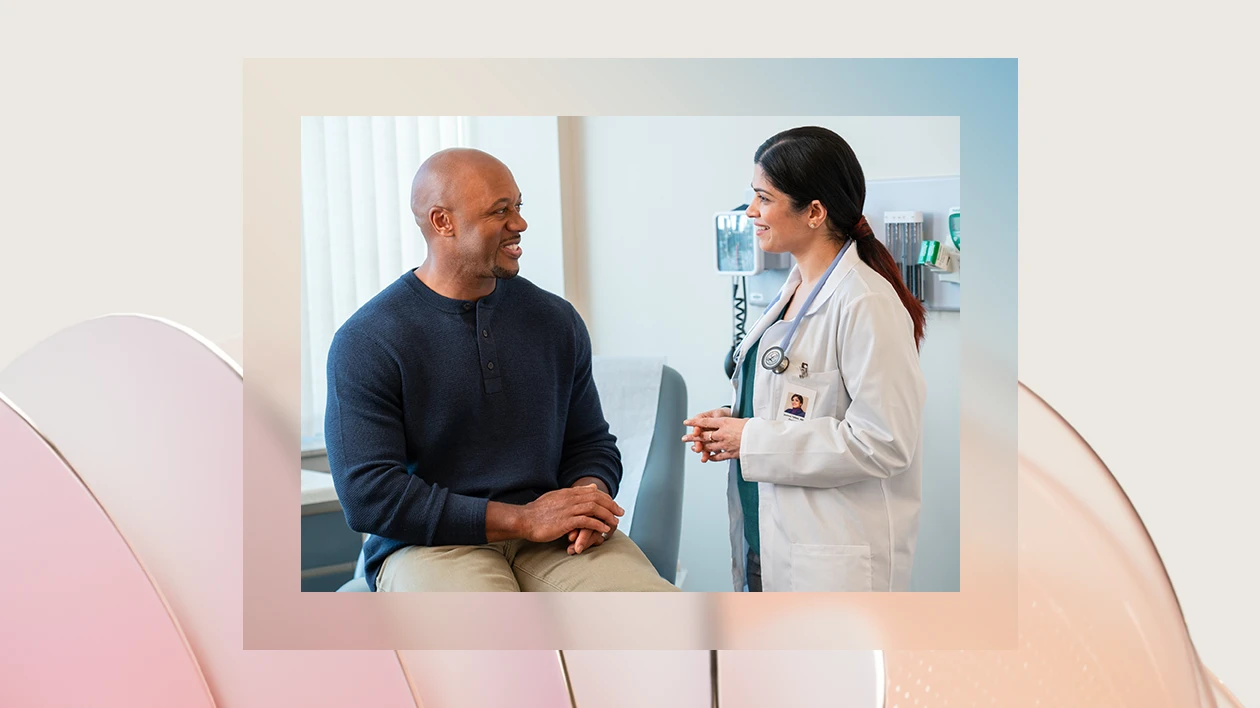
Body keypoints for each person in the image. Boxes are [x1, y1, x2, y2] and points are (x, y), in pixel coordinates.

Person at [326, 147, 677, 592]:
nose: (520, 223)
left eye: (518, 206)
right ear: (442, 222)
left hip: (554, 541)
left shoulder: (555, 320)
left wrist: (586, 500)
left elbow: (589, 443)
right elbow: (370, 496)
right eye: (500, 210)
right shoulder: (367, 340)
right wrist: (524, 518)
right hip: (431, 546)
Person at [683, 127, 927, 592]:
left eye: (764, 198)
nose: (750, 212)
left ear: (814, 212)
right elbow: (804, 405)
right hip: (766, 540)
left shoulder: (865, 301)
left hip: (829, 560)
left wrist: (751, 437)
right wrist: (736, 422)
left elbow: (885, 441)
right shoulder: (795, 290)